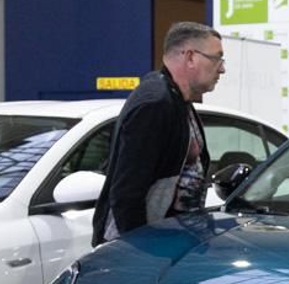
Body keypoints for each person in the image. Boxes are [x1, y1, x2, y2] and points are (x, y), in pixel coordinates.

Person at [91, 22, 225, 245]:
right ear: (190, 57)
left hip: (168, 242)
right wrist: (143, 251)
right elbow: (127, 194)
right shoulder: (155, 104)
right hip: (139, 249)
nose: (222, 69)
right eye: (217, 58)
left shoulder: (177, 101)